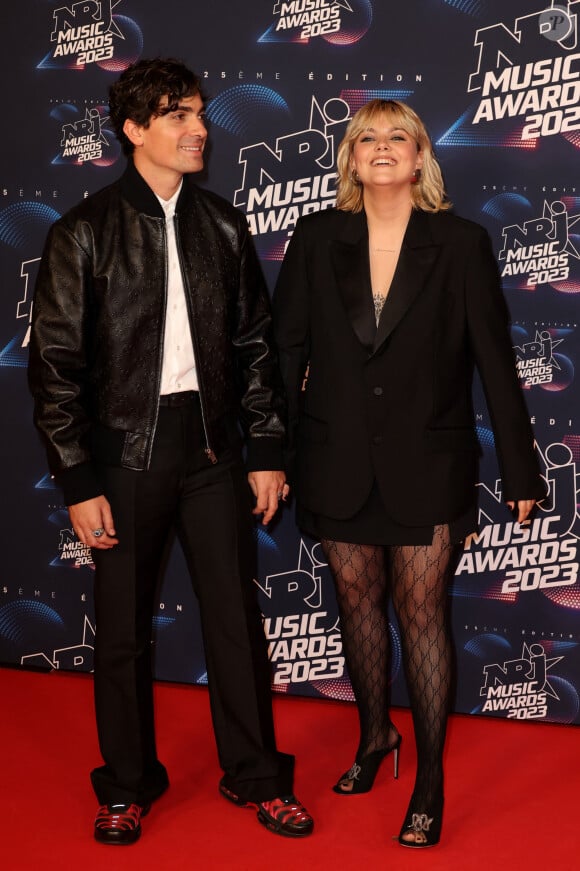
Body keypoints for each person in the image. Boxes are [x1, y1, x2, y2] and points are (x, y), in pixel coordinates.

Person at [28, 57, 313, 845]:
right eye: (177, 115)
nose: (197, 129)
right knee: (120, 630)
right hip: (124, 457)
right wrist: (79, 478)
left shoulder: (223, 224)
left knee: (234, 621)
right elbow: (54, 368)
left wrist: (267, 449)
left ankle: (256, 775)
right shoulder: (83, 231)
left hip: (215, 451)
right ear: (133, 129)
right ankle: (125, 784)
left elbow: (256, 348)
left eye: (198, 113)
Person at [272, 99, 544, 848]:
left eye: (399, 137)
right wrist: (271, 455)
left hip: (431, 463)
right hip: (334, 460)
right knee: (356, 604)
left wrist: (521, 469)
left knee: (423, 617)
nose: (382, 147)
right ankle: (372, 737)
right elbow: (285, 352)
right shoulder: (317, 236)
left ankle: (428, 781)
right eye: (368, 138)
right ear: (351, 160)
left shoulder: (459, 242)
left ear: (421, 157)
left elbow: (495, 361)